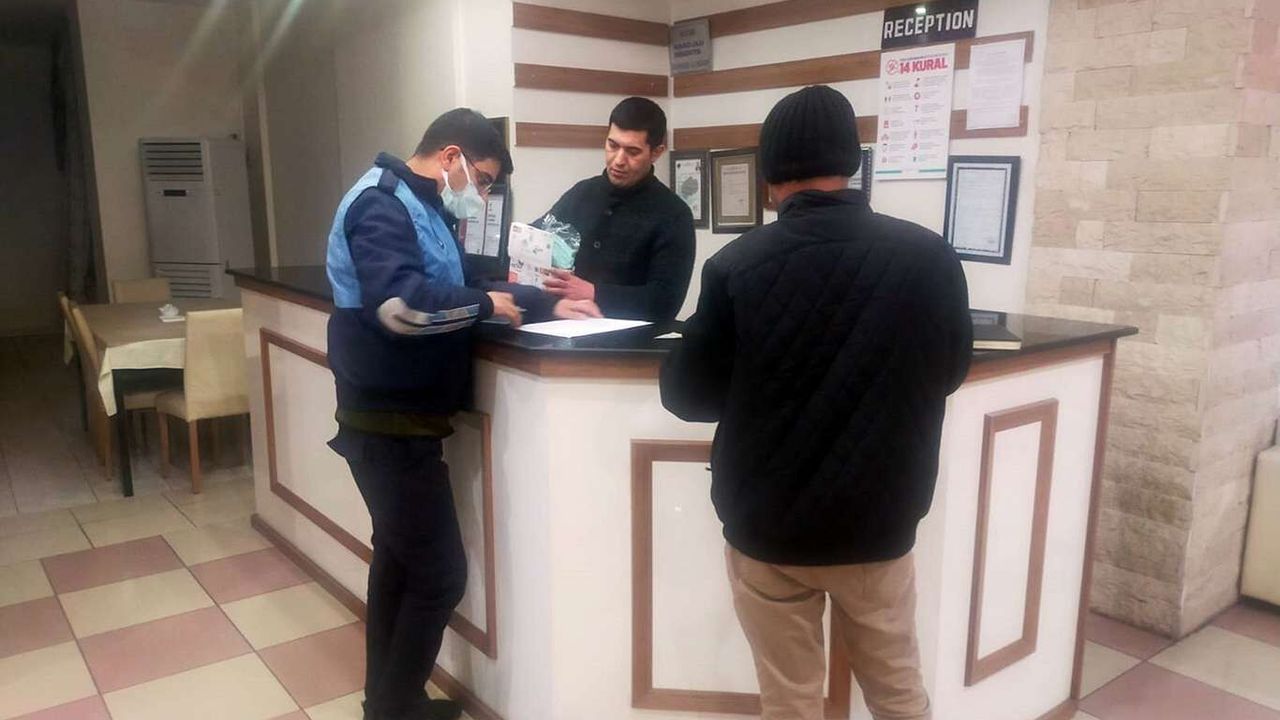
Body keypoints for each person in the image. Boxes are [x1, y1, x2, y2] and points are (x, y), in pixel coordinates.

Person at [659, 86, 972, 720]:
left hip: (768, 525)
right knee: (898, 689)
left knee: (791, 699)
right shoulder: (929, 257)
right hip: (879, 521)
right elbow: (949, 372)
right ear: (852, 162)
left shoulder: (736, 266)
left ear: (770, 173)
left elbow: (689, 397)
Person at [325, 108, 598, 720]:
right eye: (484, 179)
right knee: (440, 574)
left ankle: (388, 703)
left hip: (403, 422)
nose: (482, 194)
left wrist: (544, 305)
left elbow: (470, 280)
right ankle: (396, 707)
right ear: (451, 157)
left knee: (398, 563)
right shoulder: (381, 205)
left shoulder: (422, 207)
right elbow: (401, 307)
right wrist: (486, 306)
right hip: (385, 422)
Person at [533, 97, 695, 322]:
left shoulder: (674, 215)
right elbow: (535, 239)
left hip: (631, 340)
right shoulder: (581, 193)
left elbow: (664, 302)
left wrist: (594, 293)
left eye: (633, 151)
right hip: (564, 330)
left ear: (656, 152)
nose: (619, 160)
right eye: (613, 145)